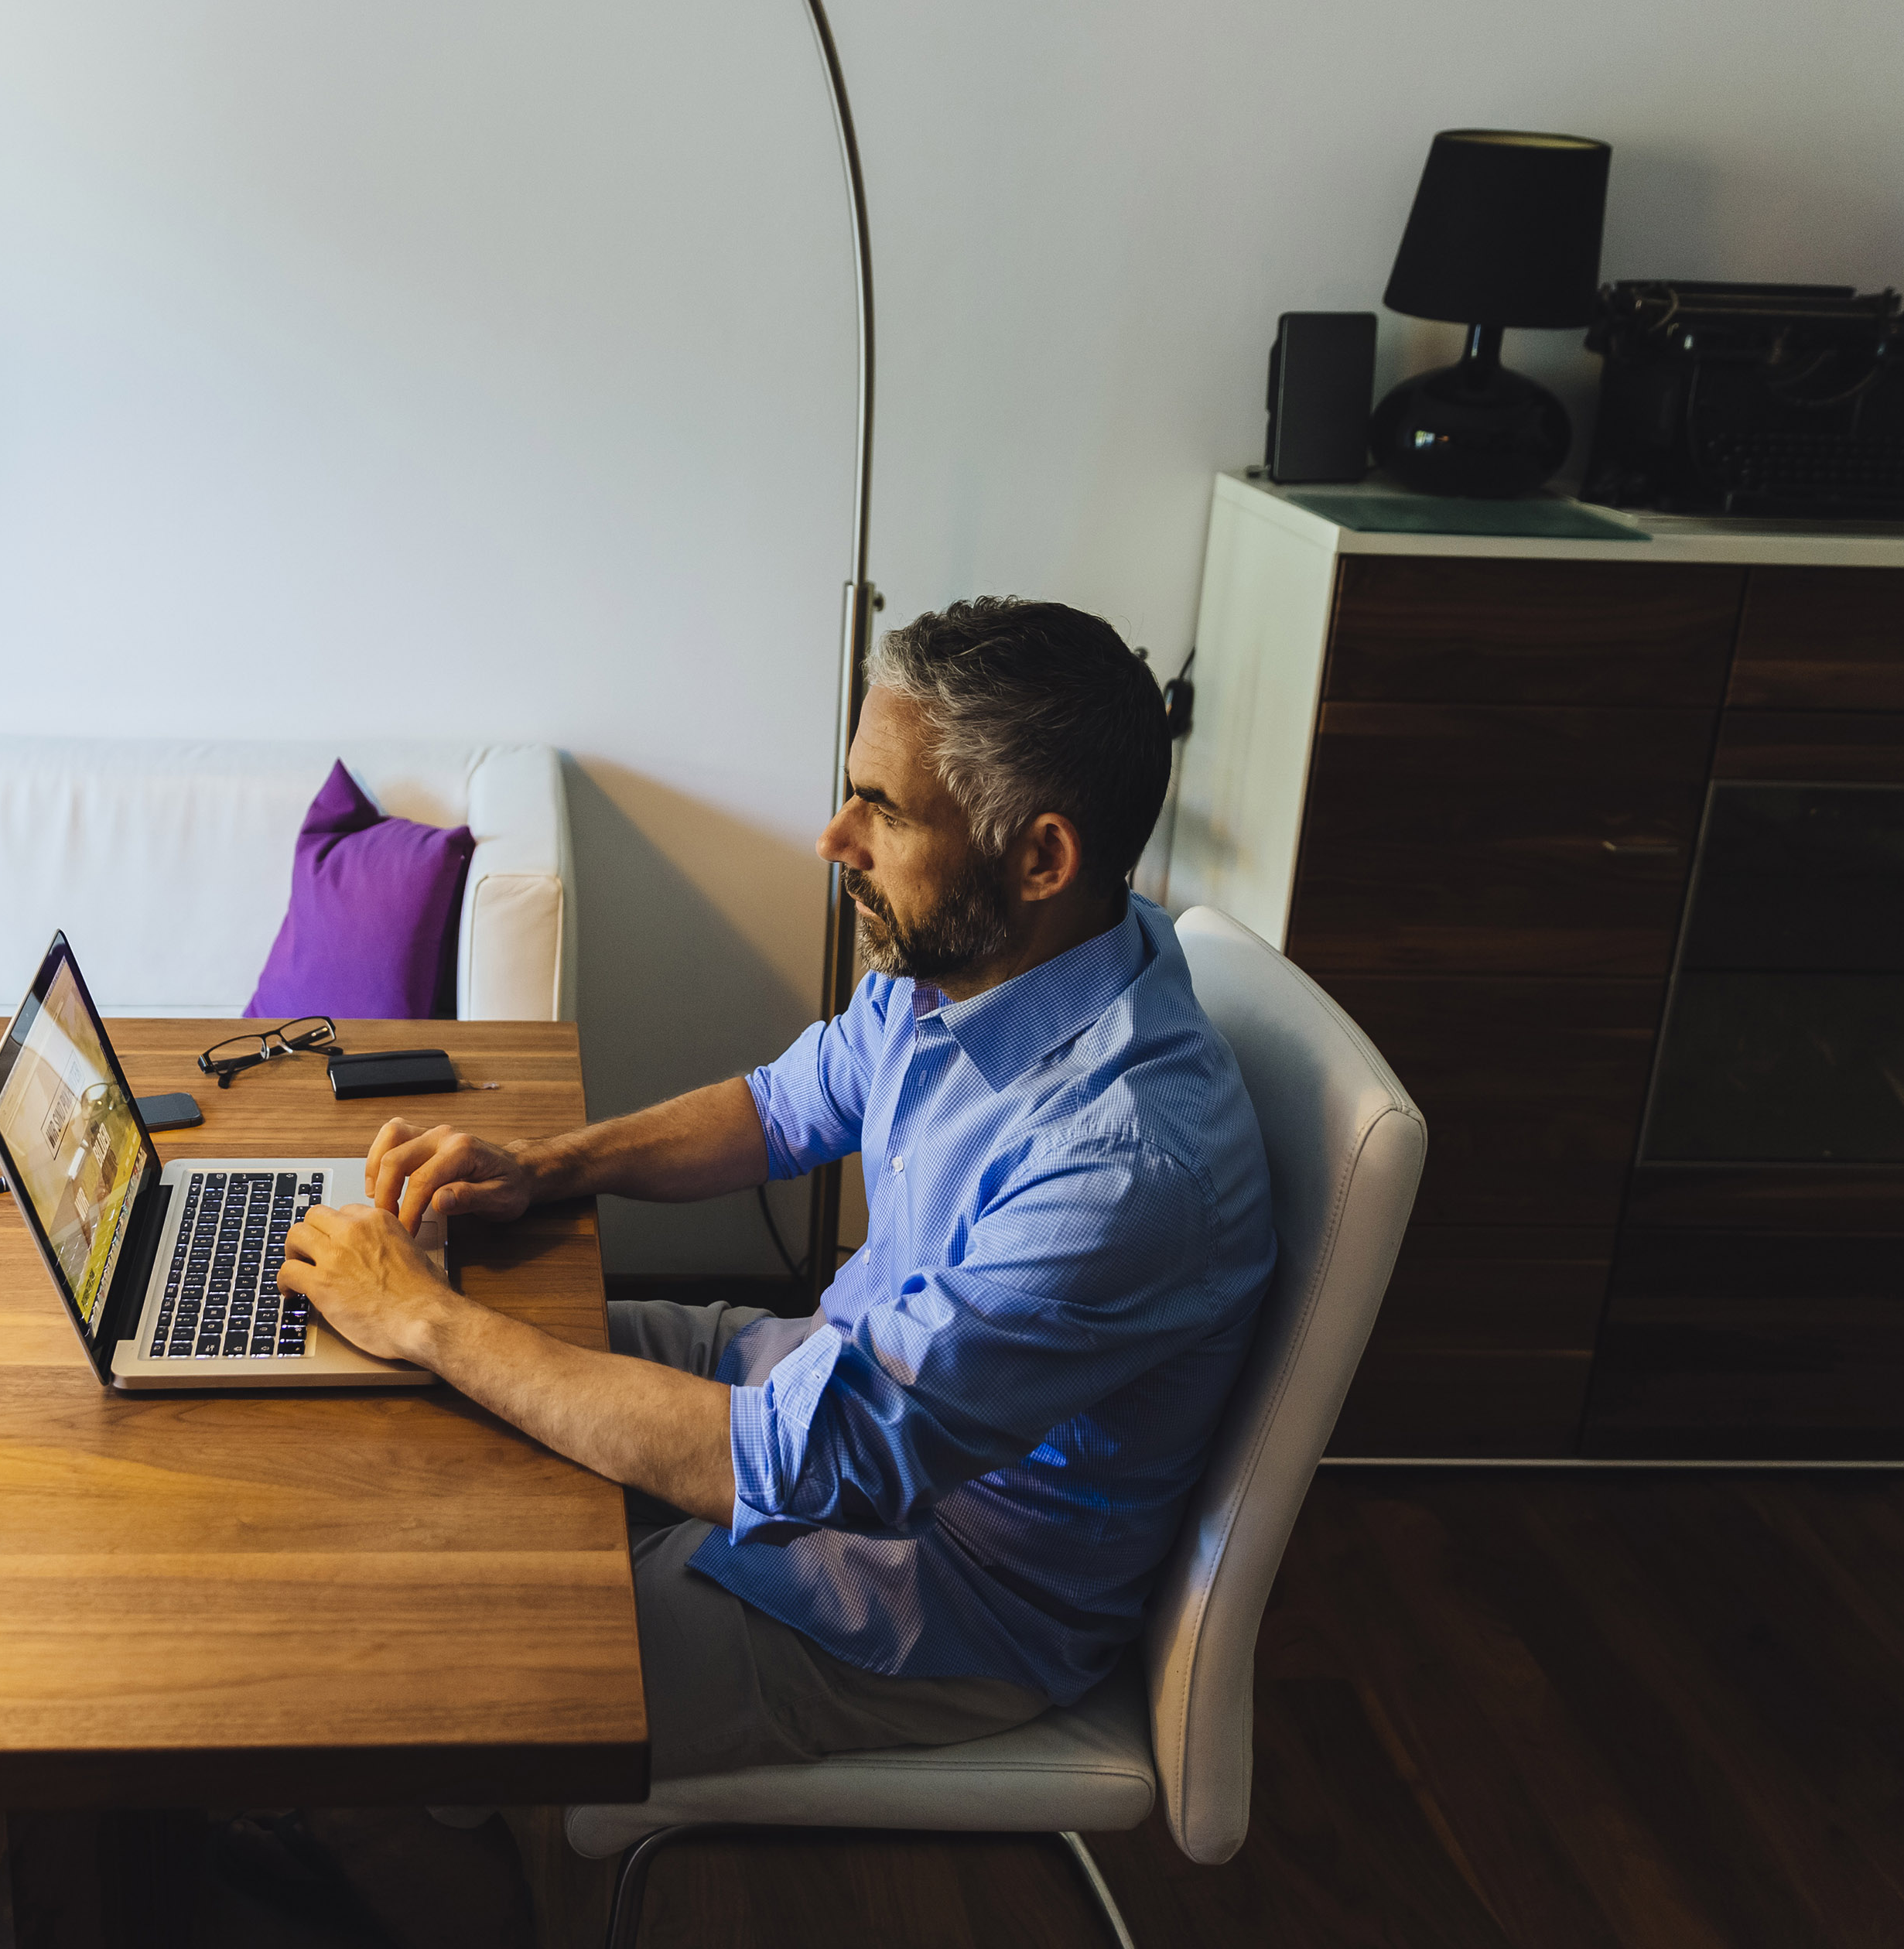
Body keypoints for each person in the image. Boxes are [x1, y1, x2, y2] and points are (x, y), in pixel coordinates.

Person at [277, 596, 1277, 1811]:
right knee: (368, 1415)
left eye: (886, 811)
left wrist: (429, 1320)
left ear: (1041, 858)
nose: (832, 837)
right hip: (805, 1379)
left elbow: (819, 1464)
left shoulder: (1124, 1171)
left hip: (934, 1593)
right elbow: (785, 1105)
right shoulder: (998, 956)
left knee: (444, 1658)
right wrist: (550, 1167)